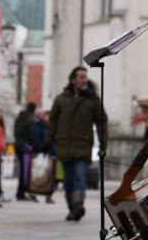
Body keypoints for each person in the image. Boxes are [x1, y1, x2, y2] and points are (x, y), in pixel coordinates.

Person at [43, 66, 107, 222]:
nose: (84, 79)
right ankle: (72, 209)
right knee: (68, 179)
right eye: (81, 77)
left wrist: (103, 145)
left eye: (85, 77)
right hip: (64, 146)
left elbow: (101, 122)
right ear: (73, 80)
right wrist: (47, 141)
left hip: (83, 146)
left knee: (80, 175)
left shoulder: (93, 100)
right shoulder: (61, 99)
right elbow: (52, 122)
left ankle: (78, 205)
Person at [13, 101, 37, 202]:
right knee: (26, 171)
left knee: (23, 170)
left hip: (18, 145)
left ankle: (21, 192)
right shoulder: (31, 119)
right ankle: (21, 193)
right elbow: (33, 135)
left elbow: (15, 131)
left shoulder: (19, 118)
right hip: (26, 147)